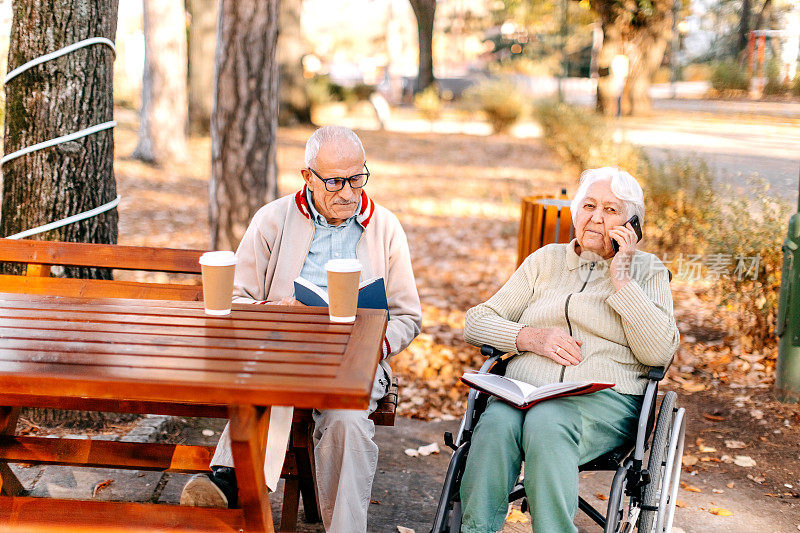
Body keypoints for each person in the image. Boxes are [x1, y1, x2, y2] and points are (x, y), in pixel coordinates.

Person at [180, 125, 422, 532]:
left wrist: (374, 344)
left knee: (346, 420)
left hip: (356, 360)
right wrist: (275, 308)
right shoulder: (273, 220)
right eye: (334, 181)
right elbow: (235, 298)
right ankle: (232, 478)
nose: (348, 192)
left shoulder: (385, 227)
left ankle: (237, 481)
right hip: (285, 353)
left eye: (357, 178)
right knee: (269, 380)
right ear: (307, 176)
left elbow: (408, 316)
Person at [459, 167, 679, 532]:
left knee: (549, 422)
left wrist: (622, 280)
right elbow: (477, 320)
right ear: (576, 212)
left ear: (632, 224)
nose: (596, 218)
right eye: (589, 205)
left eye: (611, 210)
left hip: (602, 400)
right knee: (495, 424)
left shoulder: (648, 271)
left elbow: (658, 353)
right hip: (523, 394)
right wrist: (530, 338)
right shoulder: (544, 262)